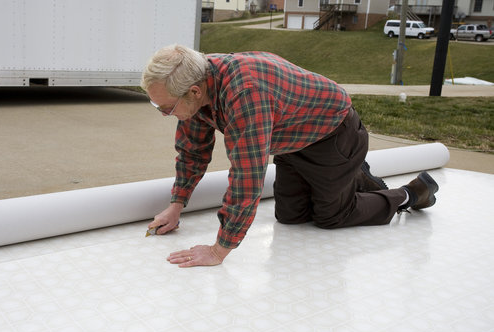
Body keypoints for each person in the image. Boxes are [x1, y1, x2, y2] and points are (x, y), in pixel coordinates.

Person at [141, 44, 439, 268]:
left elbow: (247, 177)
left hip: (334, 136)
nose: (167, 115)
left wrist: (220, 249)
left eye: (166, 108)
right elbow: (192, 152)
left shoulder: (245, 94)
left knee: (332, 216)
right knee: (290, 217)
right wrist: (176, 205)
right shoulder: (197, 83)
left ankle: (407, 194)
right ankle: (353, 175)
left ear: (194, 91)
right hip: (293, 141)